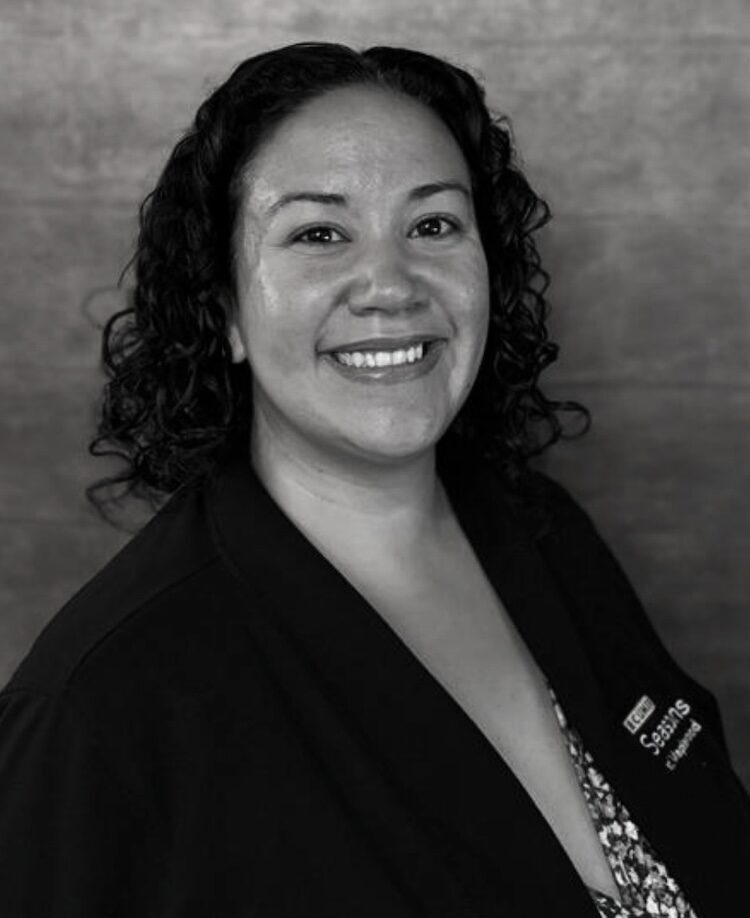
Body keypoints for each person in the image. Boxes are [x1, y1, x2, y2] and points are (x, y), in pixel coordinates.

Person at [0, 42, 747, 918]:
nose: (391, 286)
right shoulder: (99, 709)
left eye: (433, 225)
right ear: (224, 310)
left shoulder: (541, 527)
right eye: (320, 233)